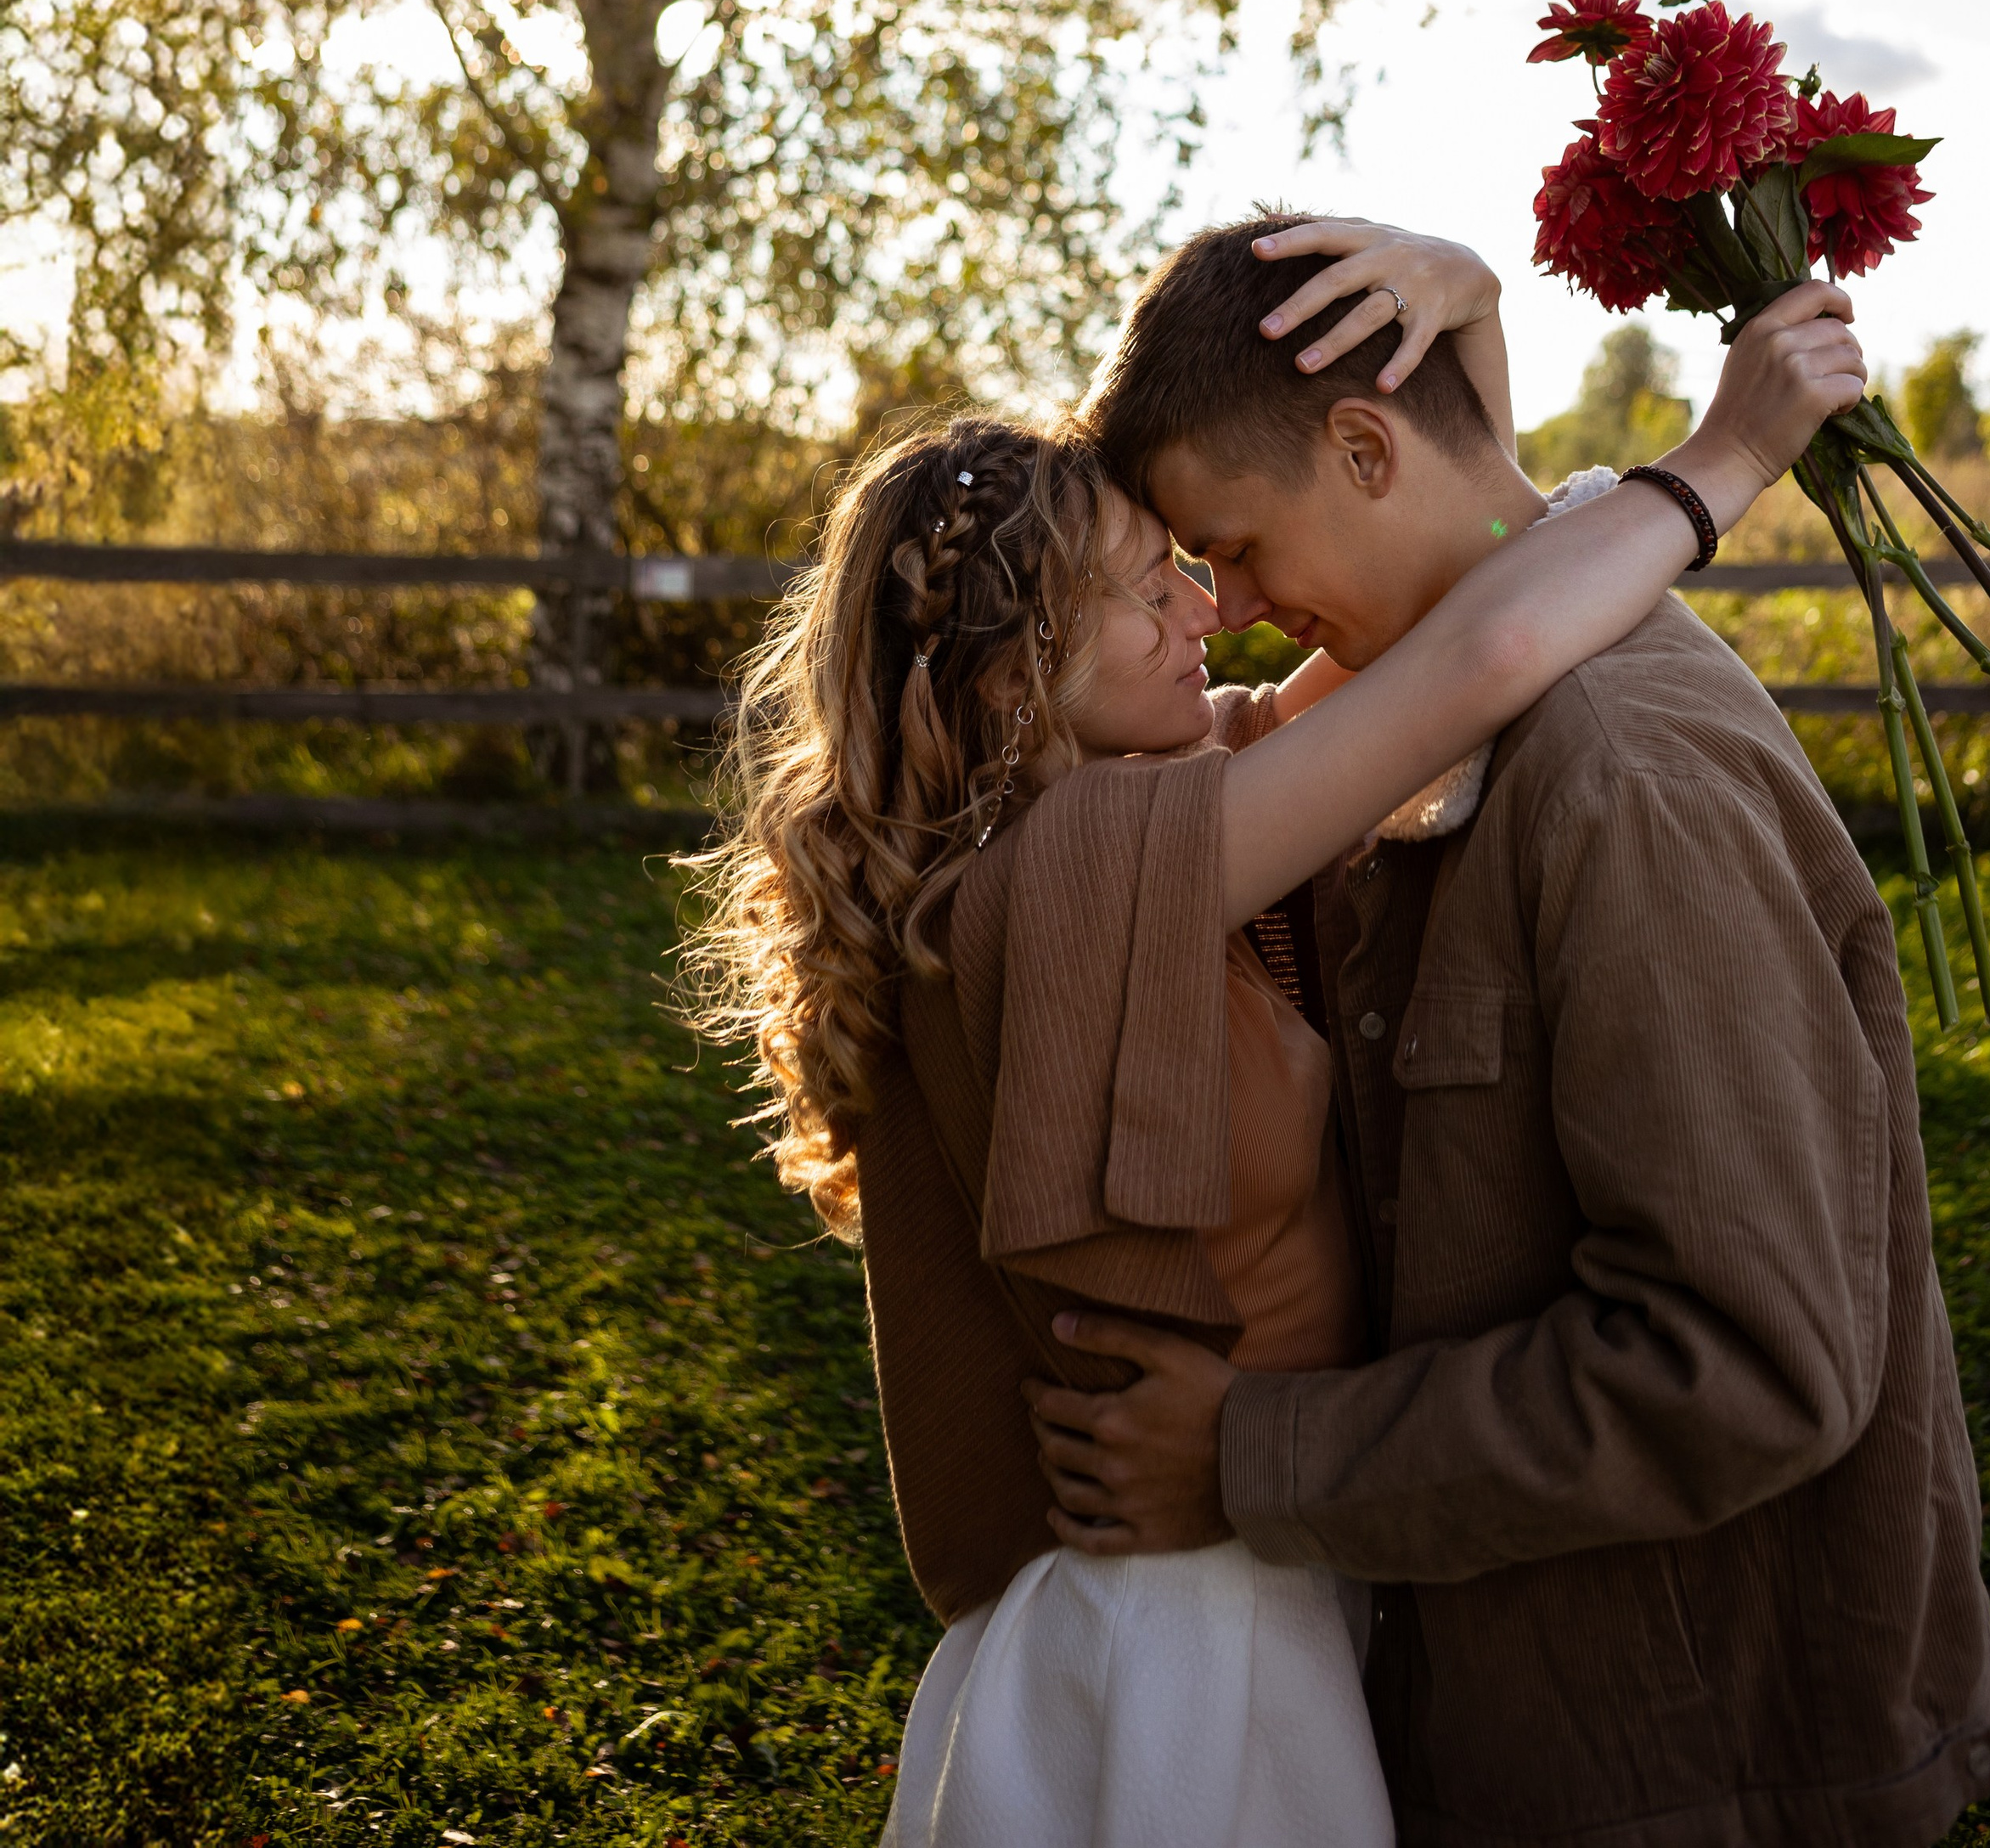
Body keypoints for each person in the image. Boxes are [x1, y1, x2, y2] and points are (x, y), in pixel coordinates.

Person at [679, 225, 1866, 1848]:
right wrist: (1734, 451)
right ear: (1021, 677)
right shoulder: (1084, 879)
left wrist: (1471, 300)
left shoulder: (1133, 818)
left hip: (1247, 1567)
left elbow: (1443, 559)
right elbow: (1484, 651)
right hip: (1188, 1617)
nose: (1210, 612)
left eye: (1201, 561)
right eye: (1150, 583)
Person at [1024, 211, 1990, 1848]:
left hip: (1712, 1771)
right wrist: (1475, 296)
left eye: (1242, 546)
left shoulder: (1622, 779)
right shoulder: (1438, 695)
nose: (1244, 610)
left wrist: (1254, 1457)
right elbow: (1491, 535)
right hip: (1550, 1728)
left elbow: (1748, 1367)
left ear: (1359, 443)